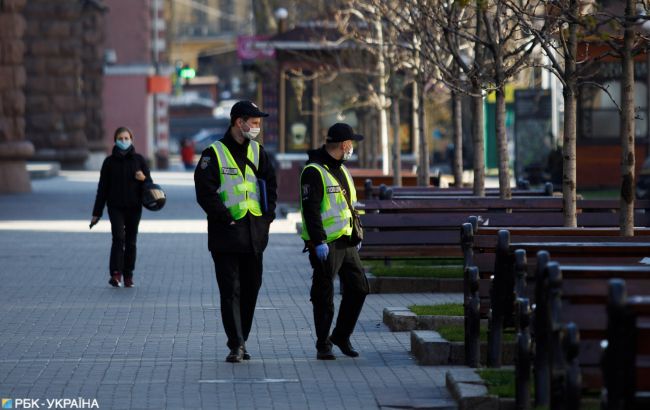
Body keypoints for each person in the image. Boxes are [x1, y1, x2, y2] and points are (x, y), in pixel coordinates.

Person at [194, 100, 277, 363]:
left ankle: (243, 338)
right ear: (238, 122)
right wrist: (224, 217)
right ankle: (236, 343)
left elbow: (271, 186)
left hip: (254, 235)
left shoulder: (259, 152)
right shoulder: (213, 153)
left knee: (251, 289)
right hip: (226, 235)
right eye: (253, 122)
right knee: (231, 290)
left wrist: (267, 218)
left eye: (259, 123)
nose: (257, 127)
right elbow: (204, 192)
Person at [299, 122, 369, 360]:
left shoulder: (341, 168)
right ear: (343, 144)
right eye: (351, 143)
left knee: (359, 288)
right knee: (324, 295)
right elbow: (311, 211)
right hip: (326, 244)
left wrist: (356, 231)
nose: (352, 148)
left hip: (346, 241)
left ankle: (340, 336)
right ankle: (323, 344)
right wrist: (318, 241)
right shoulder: (314, 171)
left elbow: (348, 205)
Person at [91, 126, 152, 288]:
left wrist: (143, 178)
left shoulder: (139, 160)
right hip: (115, 206)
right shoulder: (109, 162)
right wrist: (96, 213)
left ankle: (128, 275)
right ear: (115, 141)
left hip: (134, 207)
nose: (124, 141)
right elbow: (102, 189)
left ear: (131, 140)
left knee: (131, 242)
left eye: (126, 138)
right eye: (120, 138)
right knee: (118, 238)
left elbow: (150, 185)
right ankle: (116, 274)